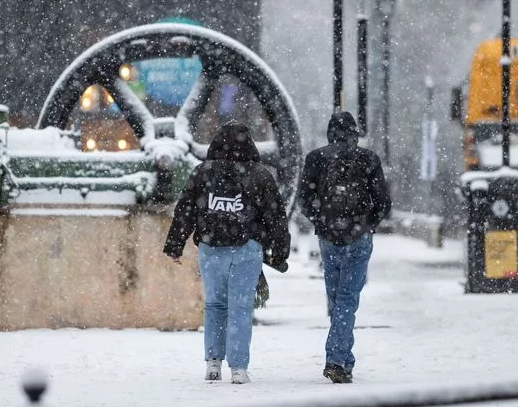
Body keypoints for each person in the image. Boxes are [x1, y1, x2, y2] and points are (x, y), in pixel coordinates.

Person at [164, 123, 291, 384]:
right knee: (241, 308)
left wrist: (176, 244)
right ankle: (238, 369)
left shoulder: (202, 172)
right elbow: (276, 216)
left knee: (214, 305)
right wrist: (279, 251)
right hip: (247, 249)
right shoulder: (260, 175)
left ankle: (212, 363)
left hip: (211, 249)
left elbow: (185, 209)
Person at [298, 111, 391, 383]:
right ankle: (338, 360)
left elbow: (305, 200)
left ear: (330, 133)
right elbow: (383, 202)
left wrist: (322, 221)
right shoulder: (369, 159)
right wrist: (366, 224)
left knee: (337, 299)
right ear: (355, 133)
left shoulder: (316, 158)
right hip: (358, 237)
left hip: (328, 238)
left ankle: (342, 358)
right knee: (347, 300)